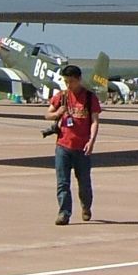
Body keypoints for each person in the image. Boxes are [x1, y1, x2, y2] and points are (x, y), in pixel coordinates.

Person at [46, 64, 101, 225]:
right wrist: (57, 113)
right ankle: (64, 212)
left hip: (82, 148)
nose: (68, 85)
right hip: (63, 146)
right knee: (63, 182)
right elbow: (47, 114)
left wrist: (91, 141)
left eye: (71, 81)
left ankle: (86, 206)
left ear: (79, 79)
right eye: (66, 81)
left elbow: (95, 121)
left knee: (84, 183)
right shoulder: (61, 97)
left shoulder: (90, 98)